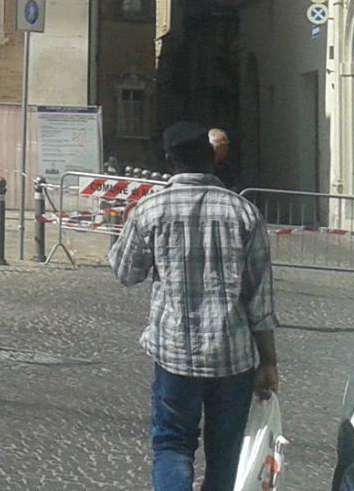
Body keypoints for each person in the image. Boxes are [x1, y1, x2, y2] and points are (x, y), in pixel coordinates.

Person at [111, 121, 279, 491]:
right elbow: (260, 296)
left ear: (170, 160)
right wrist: (268, 361)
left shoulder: (149, 210)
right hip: (232, 356)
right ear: (211, 159)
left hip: (175, 354)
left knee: (172, 444)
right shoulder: (245, 213)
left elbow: (125, 272)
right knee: (225, 453)